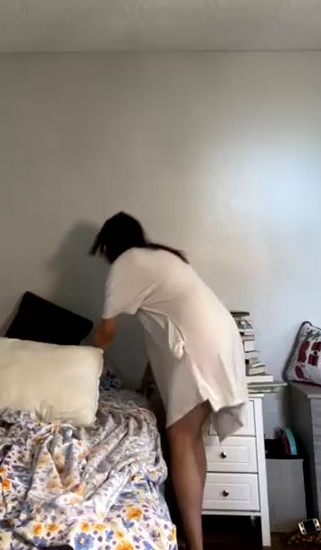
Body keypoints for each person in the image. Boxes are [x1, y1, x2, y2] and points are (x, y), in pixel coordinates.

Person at [89, 212, 247, 550]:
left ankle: (196, 544)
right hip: (221, 339)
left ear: (109, 245)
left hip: (199, 347)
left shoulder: (126, 263)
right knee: (192, 440)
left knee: (180, 439)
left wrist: (82, 364)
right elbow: (165, 322)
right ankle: (195, 536)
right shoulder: (162, 257)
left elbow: (106, 332)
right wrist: (150, 374)